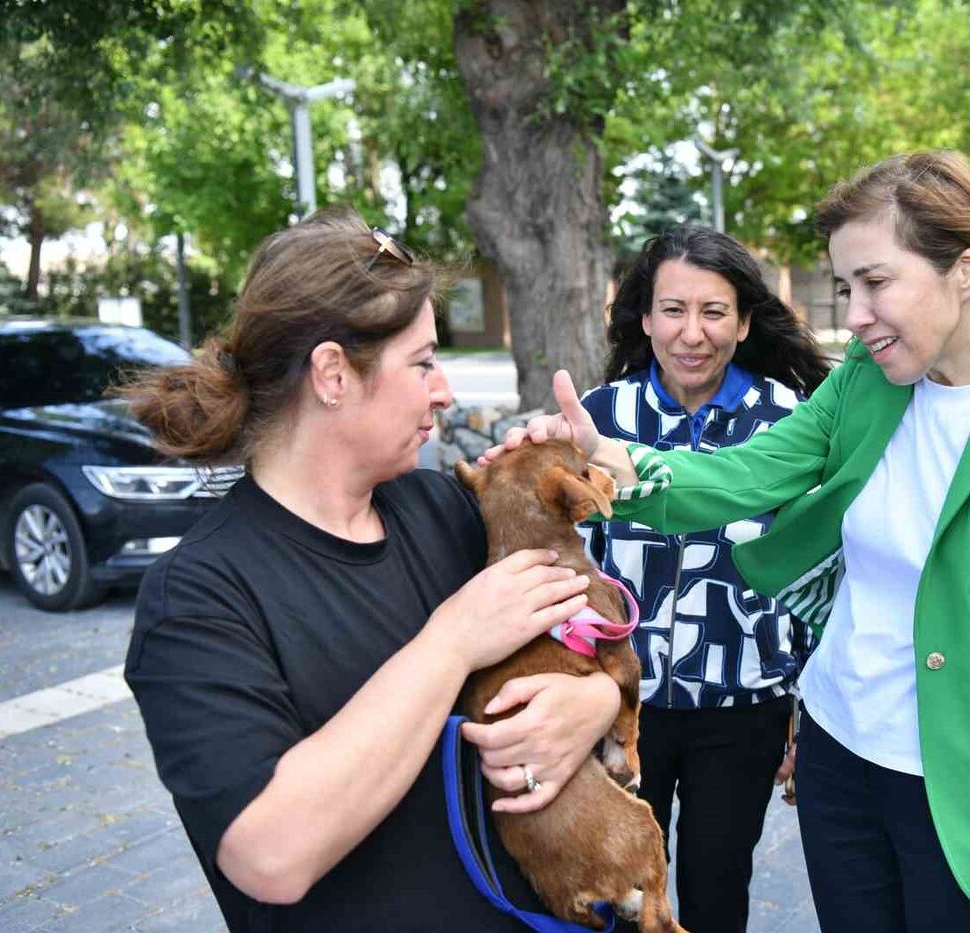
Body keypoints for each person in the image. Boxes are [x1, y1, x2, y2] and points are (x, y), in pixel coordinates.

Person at [485, 150, 970, 932]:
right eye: (845, 288)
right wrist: (610, 461)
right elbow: (745, 475)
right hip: (840, 762)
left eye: (875, 282)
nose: (855, 315)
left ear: (967, 270)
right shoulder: (866, 380)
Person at [121, 208, 623, 932]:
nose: (444, 390)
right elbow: (271, 853)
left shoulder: (445, 508)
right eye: (421, 361)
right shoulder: (200, 594)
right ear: (332, 374)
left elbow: (598, 646)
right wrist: (451, 643)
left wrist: (594, 705)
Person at [576, 225, 830, 932]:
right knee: (619, 893)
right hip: (620, 711)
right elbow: (570, 565)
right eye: (674, 310)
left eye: (714, 312)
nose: (693, 333)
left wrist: (804, 712)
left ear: (745, 321)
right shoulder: (603, 419)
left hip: (743, 709)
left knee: (718, 892)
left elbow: (816, 574)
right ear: (646, 317)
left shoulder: (792, 422)